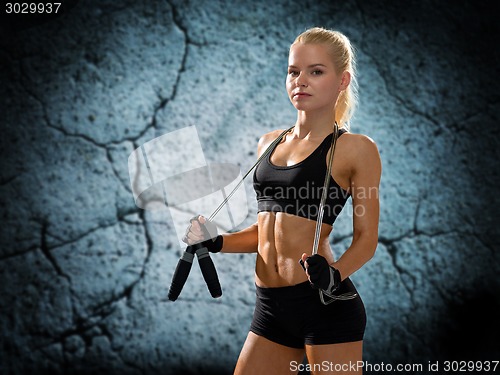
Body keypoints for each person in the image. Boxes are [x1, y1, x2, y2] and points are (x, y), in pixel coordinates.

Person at [183, 27, 381, 375]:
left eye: (315, 71)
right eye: (294, 71)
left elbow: (366, 240)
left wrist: (335, 276)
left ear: (342, 81)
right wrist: (217, 242)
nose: (300, 81)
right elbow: (268, 230)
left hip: (323, 303)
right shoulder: (269, 143)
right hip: (271, 307)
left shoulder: (356, 149)